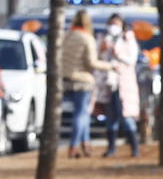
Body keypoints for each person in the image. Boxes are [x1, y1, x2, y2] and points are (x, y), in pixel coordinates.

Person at [59, 9, 111, 158]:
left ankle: (85, 143)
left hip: (65, 80)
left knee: (82, 114)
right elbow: (91, 62)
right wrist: (110, 66)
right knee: (81, 114)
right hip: (82, 81)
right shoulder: (87, 38)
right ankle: (74, 145)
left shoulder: (66, 36)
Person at [98, 14, 140, 157]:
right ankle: (111, 148)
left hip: (124, 84)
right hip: (109, 84)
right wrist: (102, 49)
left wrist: (118, 54)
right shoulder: (104, 38)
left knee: (127, 116)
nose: (113, 26)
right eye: (111, 23)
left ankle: (134, 148)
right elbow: (98, 58)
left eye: (116, 23)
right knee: (110, 118)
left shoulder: (128, 38)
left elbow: (132, 59)